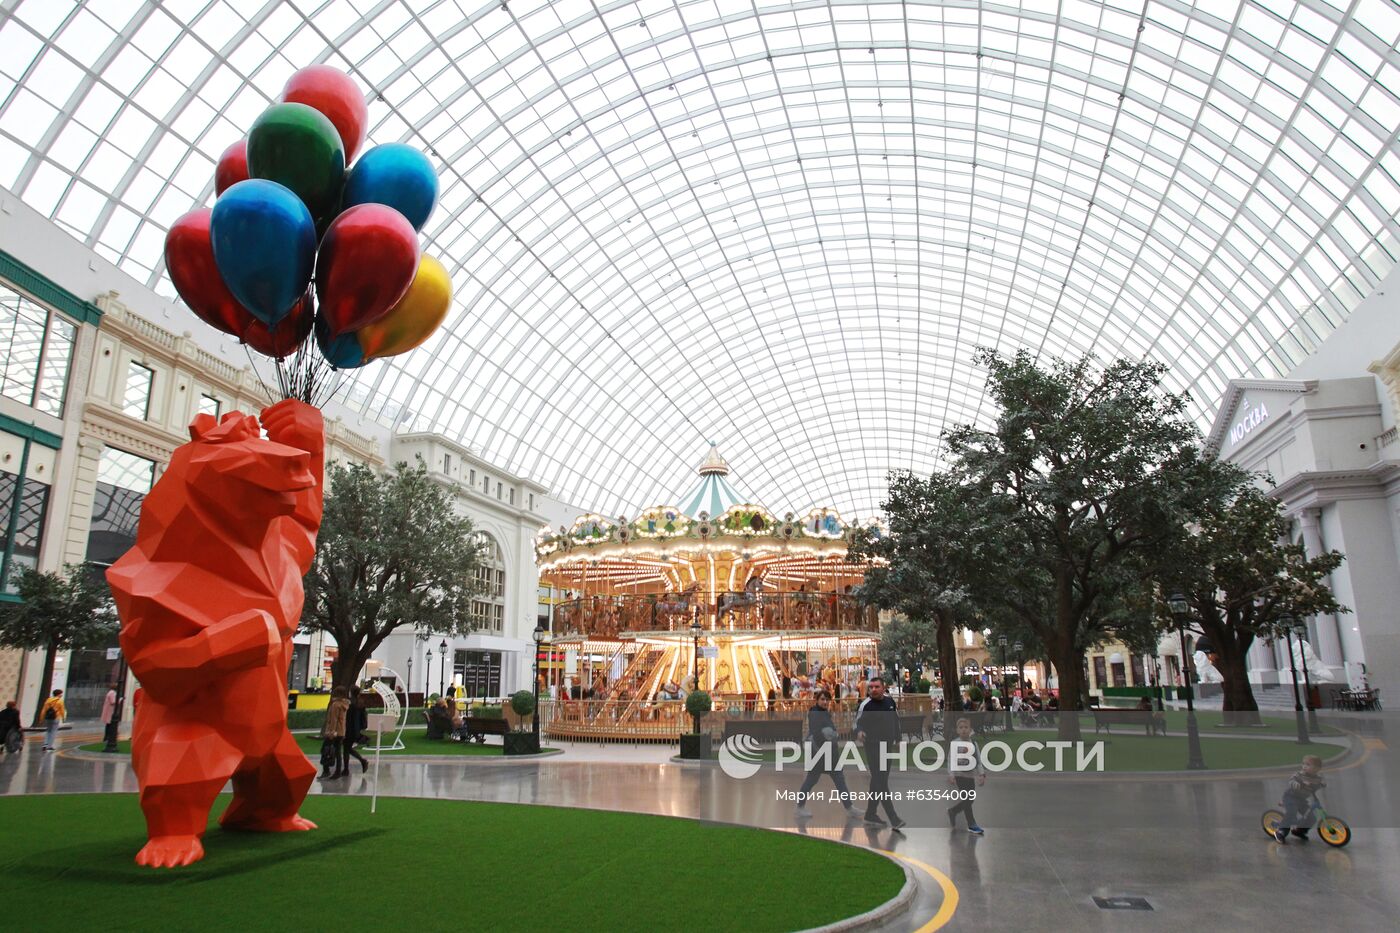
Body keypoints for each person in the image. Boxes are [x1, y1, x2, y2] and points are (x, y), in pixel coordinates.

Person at [795, 690, 861, 820]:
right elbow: (816, 733)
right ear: (817, 700)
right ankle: (800, 807)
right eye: (822, 699)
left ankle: (849, 807)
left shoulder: (824, 713)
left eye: (827, 700)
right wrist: (827, 741)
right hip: (820, 753)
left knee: (838, 779)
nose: (825, 702)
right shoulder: (815, 713)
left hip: (829, 753)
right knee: (812, 779)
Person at [854, 676, 905, 830]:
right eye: (871, 687)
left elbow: (896, 721)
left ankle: (870, 814)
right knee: (881, 782)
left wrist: (898, 739)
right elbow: (856, 723)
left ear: (884, 688)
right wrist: (859, 732)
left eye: (877, 687)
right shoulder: (866, 705)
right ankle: (894, 818)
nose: (873, 690)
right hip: (873, 747)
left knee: (878, 781)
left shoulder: (890, 702)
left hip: (887, 747)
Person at [947, 716, 988, 834]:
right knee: (966, 798)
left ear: (970, 729)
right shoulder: (955, 744)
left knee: (971, 799)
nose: (964, 730)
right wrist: (951, 774)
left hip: (970, 775)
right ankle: (971, 824)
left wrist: (981, 774)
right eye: (961, 727)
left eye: (966, 727)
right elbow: (951, 760)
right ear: (957, 730)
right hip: (959, 775)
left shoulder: (974, 743)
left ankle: (953, 811)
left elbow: (978, 760)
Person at [1275, 754, 1326, 843]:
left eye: (1308, 765)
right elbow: (1291, 781)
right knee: (1291, 813)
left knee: (1311, 818)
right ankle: (1281, 831)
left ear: (1317, 768)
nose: (1304, 766)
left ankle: (1299, 831)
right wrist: (1299, 784)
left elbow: (1321, 783)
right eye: (1304, 764)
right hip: (1291, 797)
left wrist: (1322, 784)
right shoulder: (1299, 775)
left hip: (1302, 800)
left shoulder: (1317, 778)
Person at [322, 686, 349, 777]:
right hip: (341, 731)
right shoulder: (344, 704)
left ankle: (326, 770)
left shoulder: (335, 705)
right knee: (337, 752)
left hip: (334, 732)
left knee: (325, 750)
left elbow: (334, 719)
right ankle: (338, 771)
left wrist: (331, 732)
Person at [342, 686, 369, 774]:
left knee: (346, 749)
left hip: (349, 729)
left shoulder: (350, 704)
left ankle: (348, 768)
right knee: (347, 748)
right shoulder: (360, 703)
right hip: (356, 730)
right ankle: (360, 762)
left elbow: (348, 718)